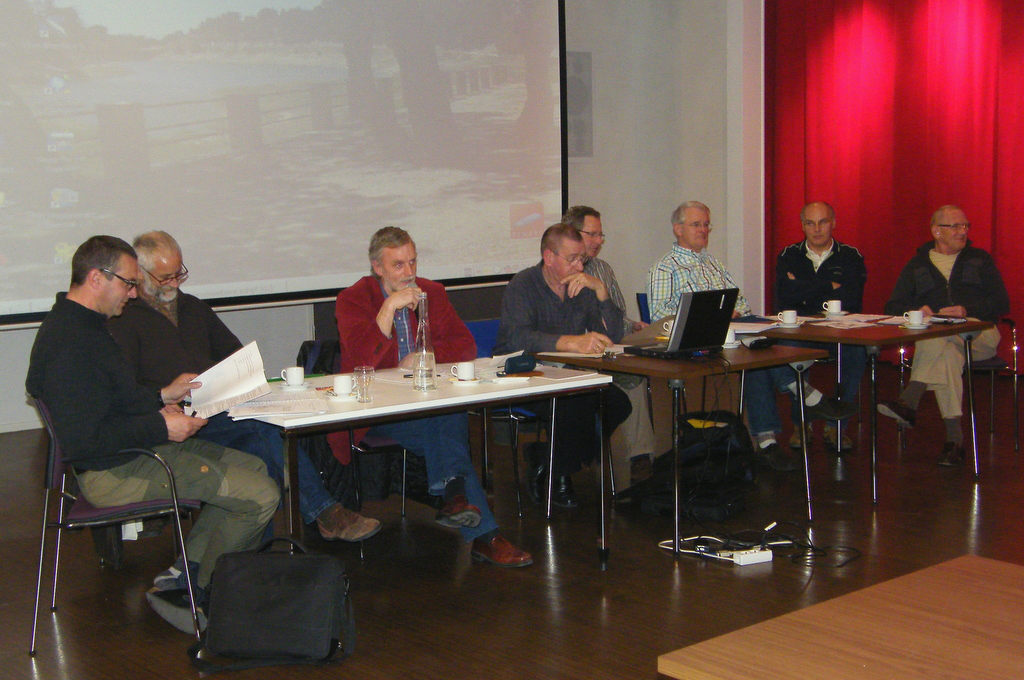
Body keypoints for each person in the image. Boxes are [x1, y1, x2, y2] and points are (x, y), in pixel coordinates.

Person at [26, 235, 280, 634]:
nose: (133, 293)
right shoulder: (71, 345)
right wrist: (162, 425)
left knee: (256, 468)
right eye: (128, 283)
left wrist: (163, 395)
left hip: (133, 453)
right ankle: (201, 594)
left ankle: (184, 576)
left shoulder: (83, 326)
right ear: (96, 278)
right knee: (260, 495)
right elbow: (85, 442)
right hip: (114, 472)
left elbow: (114, 401)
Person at [106, 231, 380, 543]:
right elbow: (127, 388)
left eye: (179, 273)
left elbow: (234, 352)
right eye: (165, 277)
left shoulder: (194, 308)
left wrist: (236, 377)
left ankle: (255, 548)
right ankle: (325, 513)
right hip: (172, 419)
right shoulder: (123, 318)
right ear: (140, 274)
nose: (175, 283)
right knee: (264, 429)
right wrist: (165, 396)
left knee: (261, 447)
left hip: (217, 408)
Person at [334, 226, 532, 567]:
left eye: (412, 262)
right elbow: (362, 360)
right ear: (377, 267)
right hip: (376, 408)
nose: (409, 272)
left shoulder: (432, 292)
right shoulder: (352, 300)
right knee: (446, 423)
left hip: (425, 401)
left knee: (446, 412)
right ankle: (474, 520)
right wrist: (388, 308)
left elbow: (465, 345)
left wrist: (426, 356)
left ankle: (462, 505)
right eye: (398, 265)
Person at [647, 201, 856, 471]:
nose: (703, 230)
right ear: (678, 229)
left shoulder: (713, 263)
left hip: (732, 332)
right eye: (696, 224)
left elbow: (743, 305)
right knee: (756, 348)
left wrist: (732, 314)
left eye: (706, 224)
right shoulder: (665, 268)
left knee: (762, 345)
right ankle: (807, 396)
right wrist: (715, 315)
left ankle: (768, 442)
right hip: (698, 340)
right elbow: (660, 317)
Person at [493, 223, 632, 508]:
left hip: (565, 373)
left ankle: (545, 460)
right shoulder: (523, 284)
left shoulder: (582, 286)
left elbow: (614, 336)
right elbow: (518, 337)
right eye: (572, 259)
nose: (580, 266)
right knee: (571, 404)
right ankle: (559, 477)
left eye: (582, 259)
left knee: (618, 403)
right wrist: (570, 342)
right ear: (549, 257)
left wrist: (601, 290)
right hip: (522, 374)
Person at [878, 205, 1009, 466]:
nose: (963, 231)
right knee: (945, 351)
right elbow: (893, 307)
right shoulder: (917, 265)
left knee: (935, 333)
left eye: (965, 225)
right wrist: (916, 311)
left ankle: (910, 398)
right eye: (956, 226)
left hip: (979, 333)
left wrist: (967, 310)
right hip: (941, 337)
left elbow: (1002, 302)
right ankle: (954, 442)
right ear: (936, 231)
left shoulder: (979, 259)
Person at [563, 205, 656, 488]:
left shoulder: (603, 269)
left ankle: (640, 456)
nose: (599, 241)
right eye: (592, 234)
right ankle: (580, 450)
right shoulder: (556, 269)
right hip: (570, 356)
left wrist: (631, 325)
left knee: (635, 374)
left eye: (601, 235)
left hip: (606, 349)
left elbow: (617, 316)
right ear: (571, 234)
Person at [775, 201, 868, 452]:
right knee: (789, 348)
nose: (817, 229)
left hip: (839, 329)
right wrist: (829, 286)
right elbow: (785, 296)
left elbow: (851, 298)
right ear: (802, 226)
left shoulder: (851, 256)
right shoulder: (788, 255)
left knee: (856, 352)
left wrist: (803, 290)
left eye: (823, 222)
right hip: (801, 329)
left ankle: (836, 424)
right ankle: (801, 424)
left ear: (833, 223)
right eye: (810, 223)